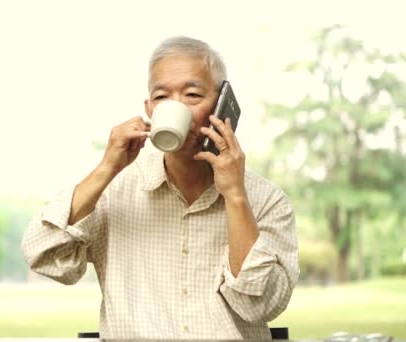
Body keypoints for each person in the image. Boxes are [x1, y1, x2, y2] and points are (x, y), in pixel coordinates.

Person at [22, 36, 299, 339]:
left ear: (222, 105)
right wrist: (106, 168)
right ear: (150, 109)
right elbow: (42, 254)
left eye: (192, 95)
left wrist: (235, 196)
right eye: (162, 97)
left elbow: (259, 306)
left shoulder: (266, 200)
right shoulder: (115, 188)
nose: (175, 107)